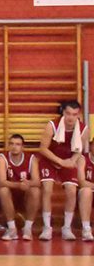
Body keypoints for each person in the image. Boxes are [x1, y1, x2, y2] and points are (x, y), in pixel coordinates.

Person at [37, 100, 88, 241]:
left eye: (74, 114)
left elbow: (79, 150)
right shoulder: (52, 125)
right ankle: (47, 227)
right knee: (47, 189)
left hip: (68, 160)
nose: (71, 117)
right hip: (50, 160)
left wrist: (72, 160)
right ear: (63, 113)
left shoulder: (83, 129)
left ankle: (67, 227)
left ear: (78, 115)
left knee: (71, 191)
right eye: (68, 113)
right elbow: (43, 148)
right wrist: (60, 162)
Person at [0, 134, 40, 241]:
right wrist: (18, 185)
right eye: (12, 144)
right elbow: (1, 181)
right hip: (10, 193)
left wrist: (28, 183)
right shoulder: (2, 158)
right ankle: (12, 229)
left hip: (25, 193)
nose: (14, 147)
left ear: (22, 147)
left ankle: (28, 228)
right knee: (3, 190)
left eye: (17, 144)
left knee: (35, 190)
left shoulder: (31, 159)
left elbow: (37, 181)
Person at [79, 150, 93, 242]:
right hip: (87, 193)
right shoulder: (83, 158)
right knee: (86, 191)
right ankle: (86, 229)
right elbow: (81, 182)